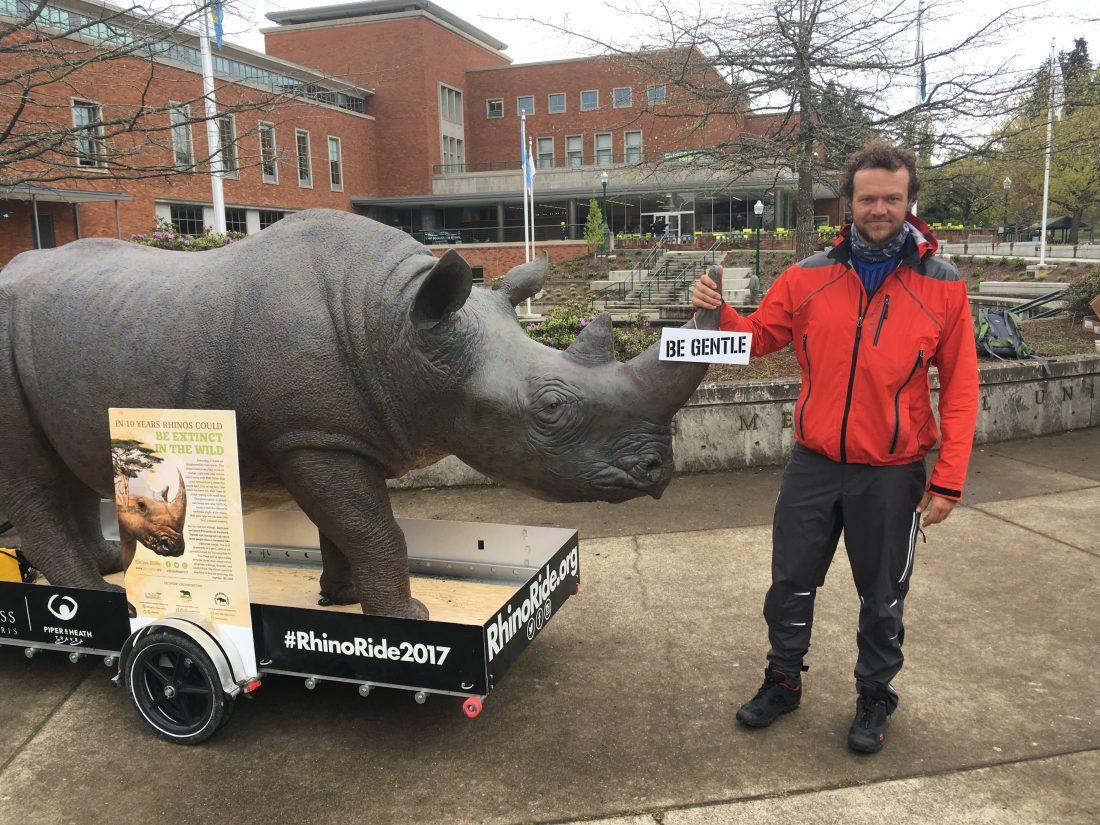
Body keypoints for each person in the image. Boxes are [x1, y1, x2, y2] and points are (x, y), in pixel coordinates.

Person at [690, 140, 978, 754]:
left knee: (883, 596)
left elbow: (960, 388)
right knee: (789, 583)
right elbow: (759, 339)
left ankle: (875, 694)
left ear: (909, 201)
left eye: (892, 198)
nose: (880, 208)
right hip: (813, 465)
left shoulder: (943, 286)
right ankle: (783, 680)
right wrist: (716, 314)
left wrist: (949, 477)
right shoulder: (809, 275)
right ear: (846, 203)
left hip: (893, 473)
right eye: (868, 197)